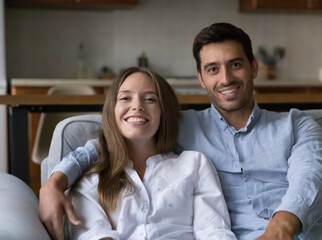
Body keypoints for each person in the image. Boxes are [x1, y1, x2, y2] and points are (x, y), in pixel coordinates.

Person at [40, 23, 322, 240]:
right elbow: (114, 140)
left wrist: (282, 226)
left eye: (236, 64)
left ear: (254, 67)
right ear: (201, 78)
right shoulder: (182, 124)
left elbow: (313, 178)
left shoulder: (298, 125)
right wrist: (55, 181)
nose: (226, 78)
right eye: (212, 69)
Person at [60, 67, 237, 239]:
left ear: (163, 111)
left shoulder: (195, 165)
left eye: (150, 99)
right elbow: (95, 235)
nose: (137, 106)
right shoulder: (90, 181)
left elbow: (214, 231)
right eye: (125, 98)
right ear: (112, 110)